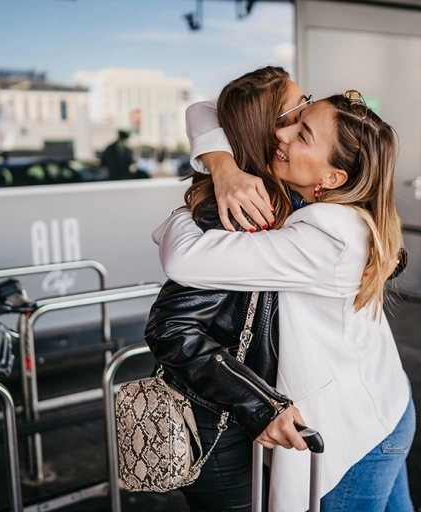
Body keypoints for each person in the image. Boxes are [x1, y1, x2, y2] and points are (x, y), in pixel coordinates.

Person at [154, 92, 415, 511]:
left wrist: (186, 211)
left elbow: (182, 258)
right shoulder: (345, 212)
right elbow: (203, 109)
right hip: (385, 404)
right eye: (294, 119)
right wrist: (223, 168)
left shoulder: (324, 235)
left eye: (302, 134)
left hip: (357, 433)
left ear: (332, 178)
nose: (282, 133)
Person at [145, 66, 316, 512]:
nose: (310, 110)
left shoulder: (289, 194)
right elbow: (172, 328)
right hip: (219, 424)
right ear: (273, 133)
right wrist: (259, 404)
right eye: (300, 107)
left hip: (245, 414)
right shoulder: (239, 207)